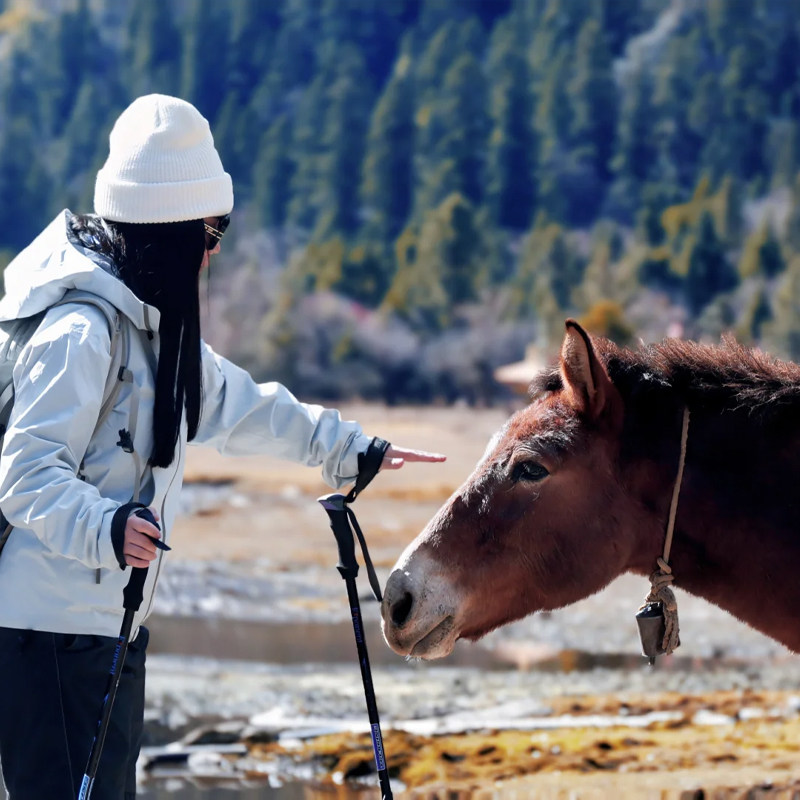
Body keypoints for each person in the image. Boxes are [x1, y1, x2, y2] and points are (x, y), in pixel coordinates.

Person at [0, 94, 445, 800]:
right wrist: (106, 529)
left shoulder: (154, 332)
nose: (215, 249)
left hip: (105, 626)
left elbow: (246, 406)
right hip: (46, 634)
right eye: (210, 231)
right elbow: (25, 475)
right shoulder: (82, 331)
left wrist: (352, 448)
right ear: (167, 232)